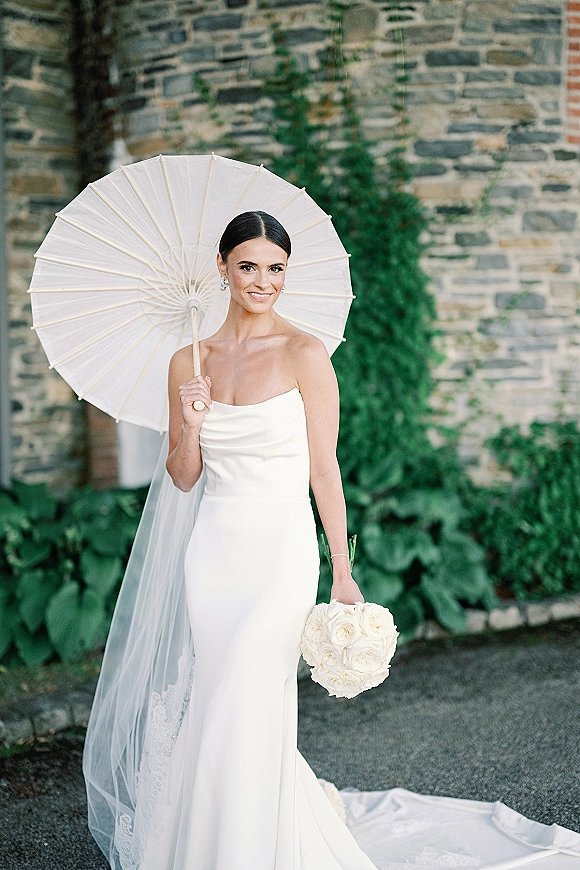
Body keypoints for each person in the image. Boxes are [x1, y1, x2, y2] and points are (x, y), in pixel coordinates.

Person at [84, 211, 579, 870]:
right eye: (250, 266)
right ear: (223, 269)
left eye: (277, 269)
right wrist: (193, 423)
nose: (264, 282)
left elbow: (325, 468)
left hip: (281, 551)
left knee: (248, 693)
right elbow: (181, 477)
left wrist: (342, 571)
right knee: (218, 695)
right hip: (214, 552)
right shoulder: (188, 362)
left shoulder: (304, 353)